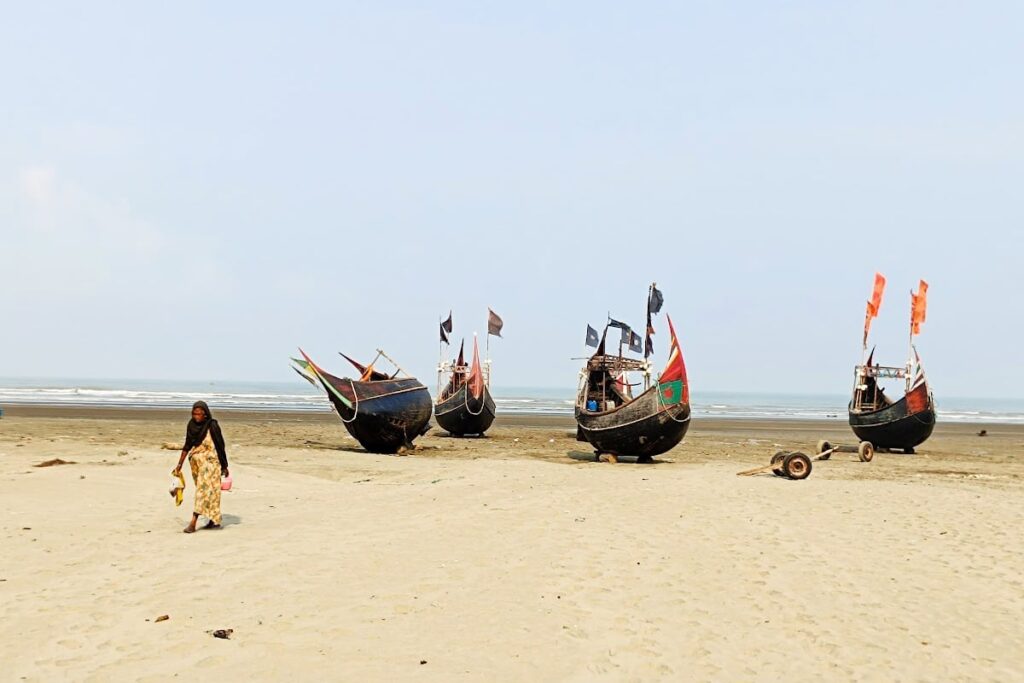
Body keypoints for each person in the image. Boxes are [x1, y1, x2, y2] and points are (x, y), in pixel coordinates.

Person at [173, 401, 229, 533]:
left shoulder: (212, 425)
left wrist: (224, 466)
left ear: (205, 414)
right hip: (197, 463)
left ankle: (193, 522)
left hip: (211, 463)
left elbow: (220, 445)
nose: (196, 416)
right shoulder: (191, 425)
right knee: (207, 491)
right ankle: (212, 520)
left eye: (199, 414)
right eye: (194, 413)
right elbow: (187, 445)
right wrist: (179, 465)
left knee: (203, 491)